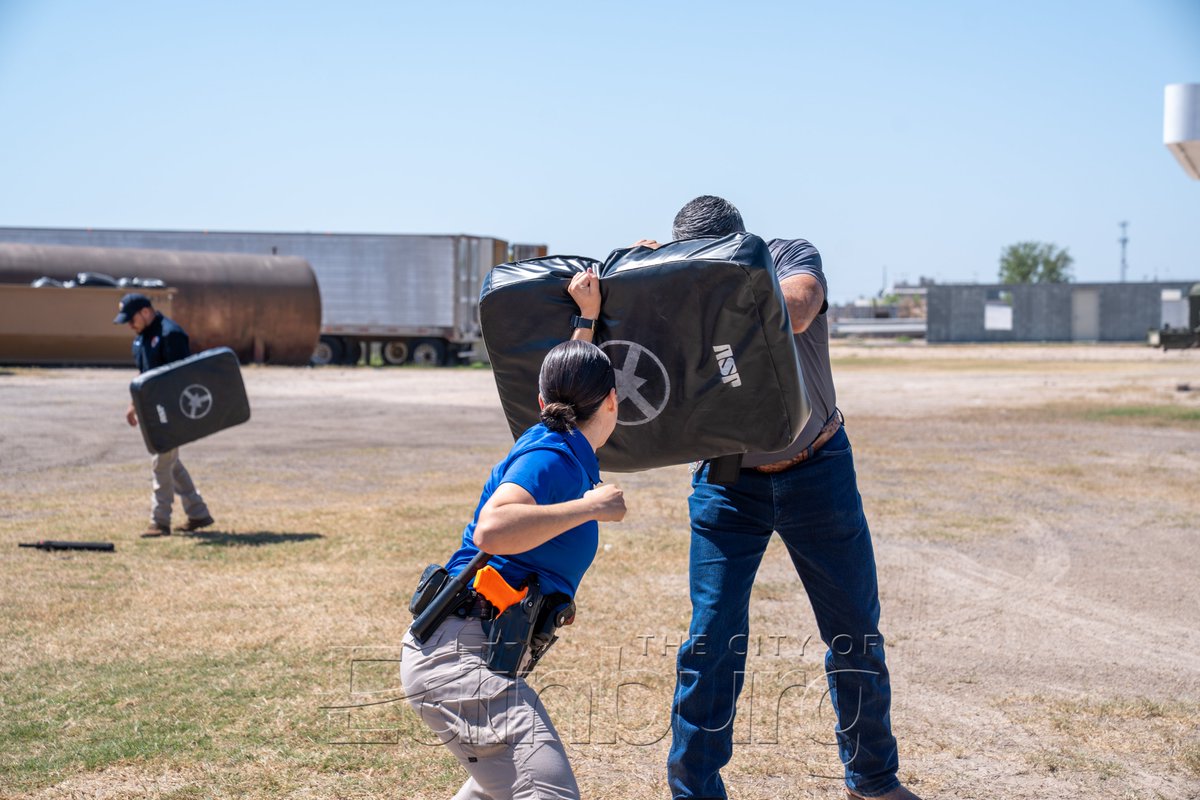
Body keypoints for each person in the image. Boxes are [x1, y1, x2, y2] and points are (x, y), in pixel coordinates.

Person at [639, 196, 919, 800]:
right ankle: (695, 790)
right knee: (711, 640)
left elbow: (797, 307)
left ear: (739, 246)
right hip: (726, 483)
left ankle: (872, 780)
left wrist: (698, 286)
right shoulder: (670, 287)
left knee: (853, 633)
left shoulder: (787, 256)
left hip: (817, 469)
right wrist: (644, 286)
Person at [400, 271, 626, 800]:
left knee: (494, 791)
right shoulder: (551, 455)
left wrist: (585, 322)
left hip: (460, 653)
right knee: (548, 793)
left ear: (543, 398)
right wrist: (588, 507)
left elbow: (568, 382)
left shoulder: (553, 434)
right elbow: (494, 529)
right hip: (460, 659)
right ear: (613, 402)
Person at [113, 293, 214, 537]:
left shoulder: (171, 335)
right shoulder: (140, 340)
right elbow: (143, 376)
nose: (129, 325)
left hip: (172, 413)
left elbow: (182, 378)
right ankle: (198, 513)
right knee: (171, 464)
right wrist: (134, 404)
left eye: (132, 319)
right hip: (153, 412)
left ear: (146, 312)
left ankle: (159, 521)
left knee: (161, 463)